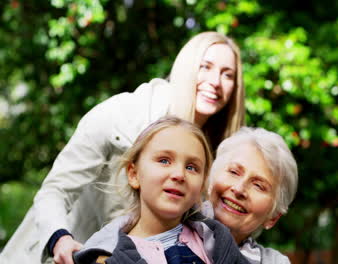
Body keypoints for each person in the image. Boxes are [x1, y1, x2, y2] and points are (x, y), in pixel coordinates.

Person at [0, 31, 245, 264]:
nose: (215, 82)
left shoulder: (217, 152)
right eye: (206, 67)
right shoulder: (122, 114)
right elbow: (55, 191)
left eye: (228, 74)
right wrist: (60, 239)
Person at [73, 117, 248, 264]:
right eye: (164, 161)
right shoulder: (108, 257)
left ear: (201, 184)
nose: (179, 175)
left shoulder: (216, 241)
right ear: (134, 174)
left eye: (191, 167)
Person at [205, 127, 298, 263]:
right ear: (210, 180)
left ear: (273, 217)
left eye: (258, 186)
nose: (238, 189)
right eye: (234, 172)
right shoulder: (169, 227)